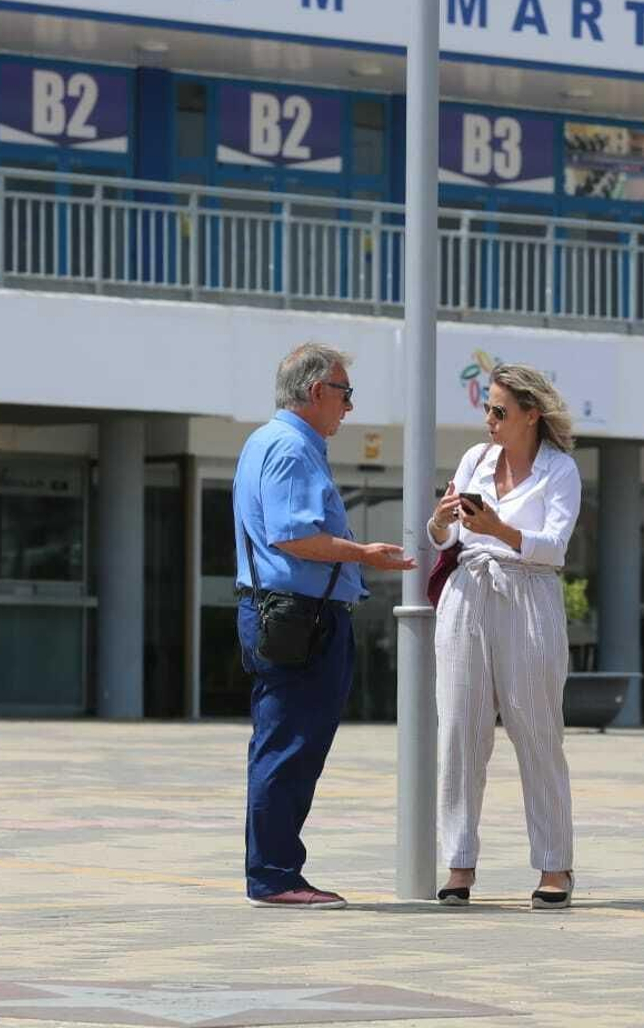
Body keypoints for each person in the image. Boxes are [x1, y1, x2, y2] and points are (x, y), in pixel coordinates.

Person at [234, 343, 415, 908]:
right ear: (316, 392)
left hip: (288, 613)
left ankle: (275, 870)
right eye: (344, 393)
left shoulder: (268, 440)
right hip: (300, 617)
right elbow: (294, 536)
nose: (348, 407)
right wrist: (365, 553)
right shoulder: (291, 448)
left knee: (282, 743)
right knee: (289, 747)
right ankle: (275, 876)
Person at [428, 364, 582, 909]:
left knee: (538, 732)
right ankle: (458, 861)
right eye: (487, 410)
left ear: (530, 415)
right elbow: (442, 535)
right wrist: (442, 520)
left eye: (499, 411)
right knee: (460, 732)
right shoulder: (475, 458)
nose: (489, 420)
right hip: (468, 590)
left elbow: (554, 546)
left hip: (528, 592)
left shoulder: (559, 470)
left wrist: (499, 529)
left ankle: (554, 864)